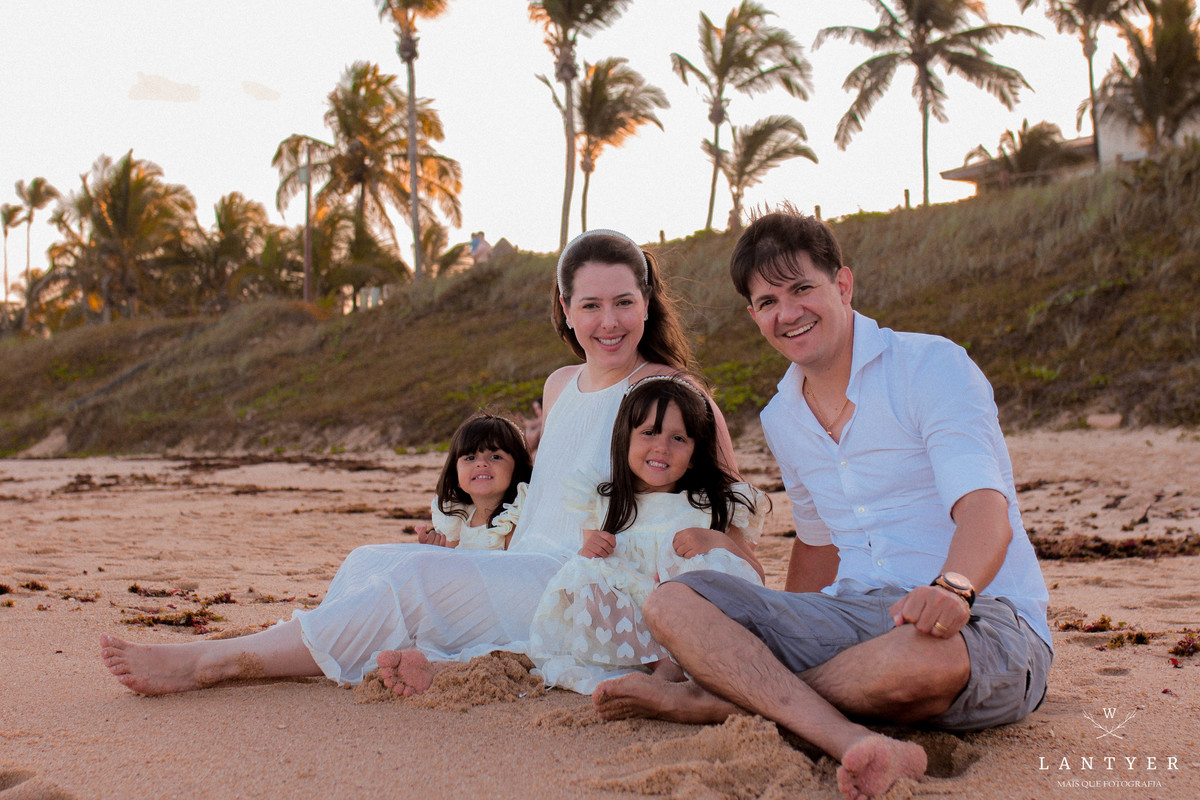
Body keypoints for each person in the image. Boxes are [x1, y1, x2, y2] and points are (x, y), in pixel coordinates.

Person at [99, 228, 757, 696]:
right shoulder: (561, 386)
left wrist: (764, 614)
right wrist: (469, 533)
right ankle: (316, 651)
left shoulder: (672, 395)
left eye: (624, 303)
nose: (608, 322)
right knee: (370, 559)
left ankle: (223, 663)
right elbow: (539, 495)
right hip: (519, 563)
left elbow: (729, 518)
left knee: (413, 581)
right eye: (591, 305)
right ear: (565, 309)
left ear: (647, 303)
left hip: (582, 586)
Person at [593, 208, 1052, 800]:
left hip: (981, 614)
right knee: (674, 603)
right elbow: (817, 543)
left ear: (843, 284)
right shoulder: (782, 416)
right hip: (852, 615)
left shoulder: (930, 366)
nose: (787, 313)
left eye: (802, 288)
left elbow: (985, 508)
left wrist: (953, 587)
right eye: (766, 302)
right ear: (753, 315)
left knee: (920, 662)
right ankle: (819, 719)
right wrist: (779, 629)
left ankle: (722, 702)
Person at [528, 374, 766, 694]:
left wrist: (716, 541)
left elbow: (756, 576)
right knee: (584, 573)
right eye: (649, 433)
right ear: (625, 439)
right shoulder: (604, 502)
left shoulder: (714, 505)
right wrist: (591, 549)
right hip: (636, 628)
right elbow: (591, 570)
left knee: (711, 565)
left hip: (691, 621)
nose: (661, 447)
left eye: (678, 438)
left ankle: (689, 659)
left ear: (695, 453)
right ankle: (661, 664)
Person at [413, 412, 531, 551]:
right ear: (455, 473)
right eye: (470, 458)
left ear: (517, 468)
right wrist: (435, 552)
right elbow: (449, 564)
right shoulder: (457, 519)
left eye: (495, 456)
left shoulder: (514, 521)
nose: (481, 464)